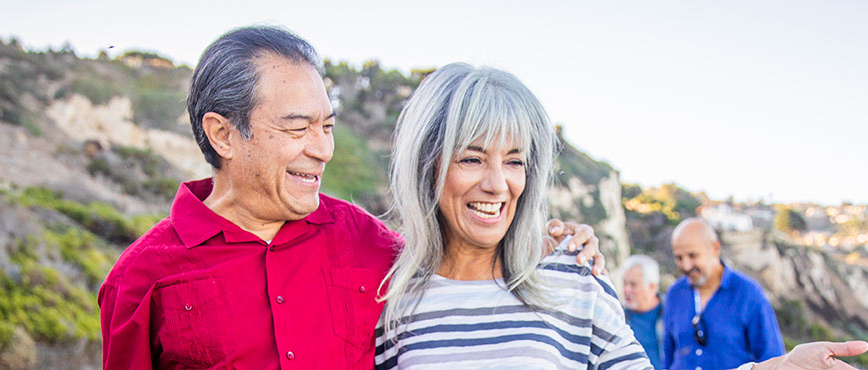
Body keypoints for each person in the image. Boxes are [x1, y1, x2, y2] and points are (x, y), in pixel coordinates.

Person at [97, 26, 606, 370]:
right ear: (224, 135)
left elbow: (456, 249)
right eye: (297, 127)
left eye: (327, 126)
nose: (321, 149)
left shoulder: (368, 243)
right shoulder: (141, 278)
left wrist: (545, 237)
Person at [372, 63, 868, 370]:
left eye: (515, 161)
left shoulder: (573, 280)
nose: (497, 183)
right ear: (429, 163)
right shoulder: (391, 302)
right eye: (472, 157)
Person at [663, 218, 784, 370]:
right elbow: (668, 354)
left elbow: (772, 357)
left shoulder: (749, 294)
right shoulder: (674, 294)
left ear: (715, 248)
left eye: (693, 256)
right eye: (679, 258)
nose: (686, 265)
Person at [621, 255, 667, 369]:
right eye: (625, 283)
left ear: (652, 286)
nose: (627, 290)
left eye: (633, 284)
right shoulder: (618, 317)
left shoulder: (672, 313)